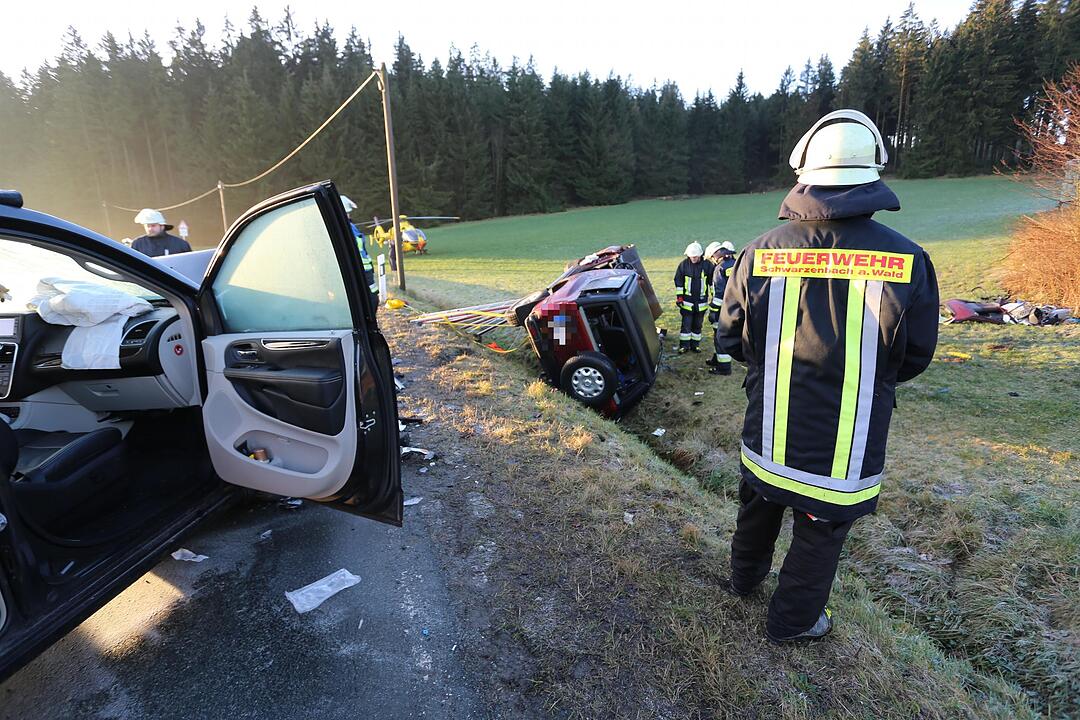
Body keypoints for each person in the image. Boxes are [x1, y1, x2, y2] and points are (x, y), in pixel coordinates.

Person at [715, 109, 939, 643]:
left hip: (768, 428)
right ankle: (792, 623)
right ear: (873, 172)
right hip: (847, 443)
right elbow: (915, 356)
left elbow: (729, 338)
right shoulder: (908, 260)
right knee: (819, 531)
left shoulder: (760, 252)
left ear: (803, 173)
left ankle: (742, 583)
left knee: (759, 503)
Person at [341, 196, 380, 316]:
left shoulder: (348, 227)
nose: (349, 215)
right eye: (347, 212)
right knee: (370, 298)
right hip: (362, 270)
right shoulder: (347, 228)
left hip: (363, 270)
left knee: (370, 298)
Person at [673, 242, 713, 354]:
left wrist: (714, 297)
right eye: (691, 257)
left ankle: (695, 345)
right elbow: (678, 281)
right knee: (686, 325)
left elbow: (712, 282)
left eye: (695, 257)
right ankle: (684, 346)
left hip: (701, 302)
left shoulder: (707, 265)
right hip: (687, 302)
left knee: (697, 325)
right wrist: (679, 297)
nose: (693, 259)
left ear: (700, 255)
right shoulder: (683, 265)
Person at [705, 241, 737, 375]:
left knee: (720, 336)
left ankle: (723, 368)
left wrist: (713, 310)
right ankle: (716, 358)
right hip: (736, 306)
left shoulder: (720, 268)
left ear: (715, 256)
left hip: (723, 309)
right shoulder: (736, 264)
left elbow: (719, 293)